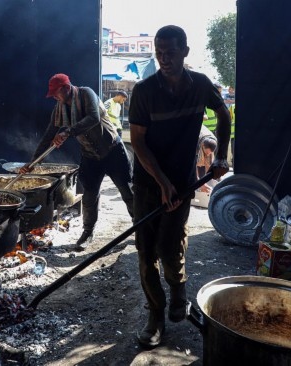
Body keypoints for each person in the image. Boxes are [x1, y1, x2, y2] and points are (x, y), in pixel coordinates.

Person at [128, 25, 231, 348]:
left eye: (170, 52)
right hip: (148, 183)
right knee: (146, 254)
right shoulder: (144, 91)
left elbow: (223, 113)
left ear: (185, 51)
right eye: (159, 52)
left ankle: (178, 289)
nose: (164, 59)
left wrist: (221, 158)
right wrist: (162, 182)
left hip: (184, 184)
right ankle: (155, 316)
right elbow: (138, 143)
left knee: (170, 248)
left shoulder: (200, 85)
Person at [20, 73, 134, 251]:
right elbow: (48, 136)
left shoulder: (86, 94)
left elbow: (93, 117)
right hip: (90, 155)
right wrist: (32, 162)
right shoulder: (59, 109)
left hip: (112, 150)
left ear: (66, 88)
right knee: (89, 196)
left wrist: (67, 132)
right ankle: (87, 232)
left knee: (128, 192)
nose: (55, 98)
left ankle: (141, 228)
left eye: (56, 93)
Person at [197, 125, 218, 193]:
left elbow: (210, 164)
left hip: (205, 139)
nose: (208, 155)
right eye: (206, 153)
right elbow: (193, 166)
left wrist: (211, 179)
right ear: (202, 146)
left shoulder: (214, 141)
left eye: (210, 153)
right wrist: (199, 183)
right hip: (197, 138)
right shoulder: (196, 143)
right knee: (197, 178)